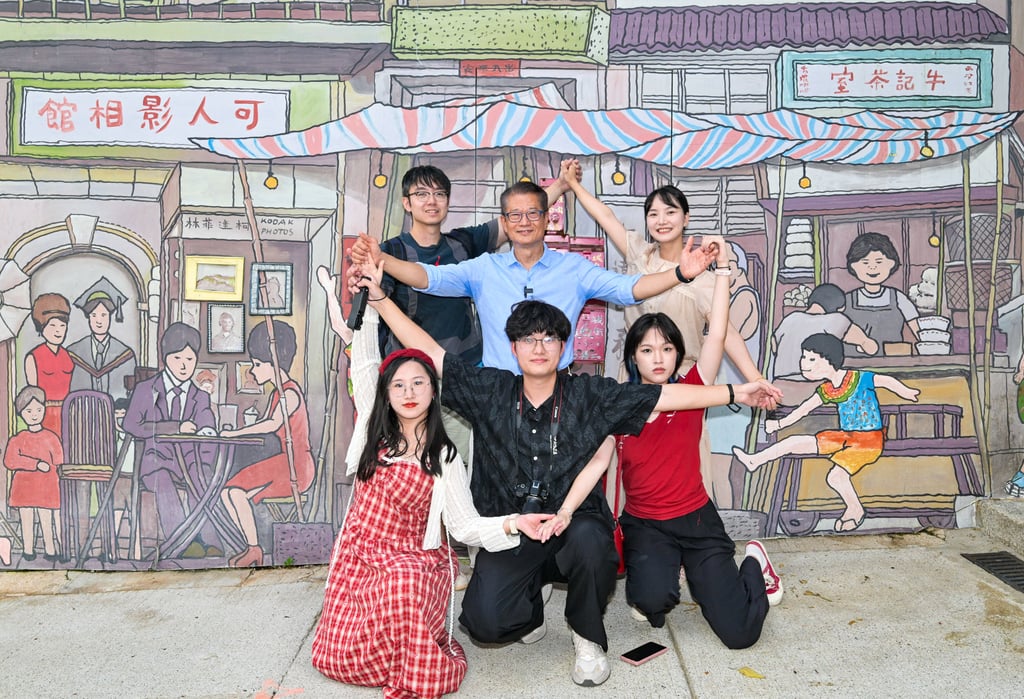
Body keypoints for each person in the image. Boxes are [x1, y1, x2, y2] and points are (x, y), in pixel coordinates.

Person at [348, 261, 781, 686]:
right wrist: (382, 298)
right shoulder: (490, 391)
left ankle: (587, 637)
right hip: (514, 528)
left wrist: (734, 390)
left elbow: (662, 395)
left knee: (595, 546)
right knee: (484, 624)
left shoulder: (590, 394)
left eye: (550, 338)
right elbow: (432, 353)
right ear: (514, 347)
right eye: (528, 339)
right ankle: (530, 610)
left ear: (565, 347)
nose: (539, 347)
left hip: (575, 527)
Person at [310, 312, 552, 697]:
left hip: (415, 556)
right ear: (386, 395)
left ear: (433, 391)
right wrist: (371, 310)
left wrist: (512, 524)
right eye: (400, 386)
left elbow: (463, 526)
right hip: (361, 553)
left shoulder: (445, 455)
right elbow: (366, 361)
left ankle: (411, 648)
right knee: (340, 661)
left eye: (419, 383)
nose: (409, 393)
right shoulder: (373, 435)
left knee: (403, 588)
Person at [537, 275, 782, 646]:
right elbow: (597, 464)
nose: (658, 358)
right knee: (652, 603)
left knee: (740, 634)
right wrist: (566, 511)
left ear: (678, 354)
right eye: (648, 350)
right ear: (633, 356)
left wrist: (722, 274)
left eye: (667, 349)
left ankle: (754, 564)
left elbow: (715, 336)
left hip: (697, 520)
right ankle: (672, 570)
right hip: (646, 525)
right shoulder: (618, 404)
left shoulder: (695, 391)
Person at [352, 180, 719, 374]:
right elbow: (427, 278)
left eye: (533, 214)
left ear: (548, 219)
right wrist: (381, 257)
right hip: (497, 392)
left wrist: (680, 274)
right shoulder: (483, 269)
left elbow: (630, 289)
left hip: (557, 391)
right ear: (506, 223)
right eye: (515, 216)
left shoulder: (573, 269)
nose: (524, 222)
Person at [563, 170, 763, 505]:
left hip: (684, 385)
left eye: (670, 211)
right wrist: (573, 185)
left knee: (685, 465)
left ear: (686, 218)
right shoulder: (639, 256)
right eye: (653, 213)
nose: (661, 220)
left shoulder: (705, 281)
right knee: (626, 463)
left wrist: (755, 379)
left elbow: (726, 335)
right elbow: (606, 216)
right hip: (634, 382)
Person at [733, 333, 920, 532]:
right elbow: (804, 409)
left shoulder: (858, 378)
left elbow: (884, 380)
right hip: (845, 437)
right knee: (795, 441)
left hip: (868, 441)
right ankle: (755, 460)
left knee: (835, 477)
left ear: (829, 360)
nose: (804, 363)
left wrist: (906, 391)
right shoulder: (828, 389)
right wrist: (779, 425)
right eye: (804, 357)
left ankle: (855, 510)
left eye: (811, 358)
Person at [220, 320, 315, 567]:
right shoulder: (277, 393)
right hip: (284, 462)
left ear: (274, 363)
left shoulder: (289, 394)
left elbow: (272, 425)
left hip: (296, 467)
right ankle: (253, 548)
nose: (253, 370)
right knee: (228, 492)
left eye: (257, 364)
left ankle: (254, 549)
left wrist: (235, 433)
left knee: (235, 492)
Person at [122, 322, 220, 558]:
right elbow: (131, 424)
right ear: (165, 359)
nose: (184, 365)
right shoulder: (146, 389)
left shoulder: (200, 396)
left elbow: (207, 425)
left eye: (189, 359)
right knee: (162, 481)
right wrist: (175, 427)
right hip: (156, 460)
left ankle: (208, 540)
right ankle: (181, 543)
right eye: (178, 359)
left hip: (189, 459)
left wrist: (206, 441)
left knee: (203, 477)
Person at [4, 386, 63, 563]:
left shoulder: (51, 437)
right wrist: (35, 464)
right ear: (22, 413)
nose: (35, 414)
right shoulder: (18, 438)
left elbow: (59, 459)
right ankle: (28, 550)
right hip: (24, 488)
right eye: (29, 410)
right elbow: (10, 461)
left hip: (47, 487)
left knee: (46, 519)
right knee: (26, 519)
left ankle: (50, 549)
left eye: (38, 409)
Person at [844, 232, 920, 356]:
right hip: (853, 363)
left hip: (893, 363)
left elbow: (918, 330)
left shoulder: (898, 298)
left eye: (879, 262)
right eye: (865, 263)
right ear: (853, 266)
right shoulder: (845, 301)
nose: (872, 268)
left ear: (891, 264)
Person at [66, 278, 137, 402]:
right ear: (88, 318)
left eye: (104, 315)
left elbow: (131, 392)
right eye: (94, 315)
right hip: (82, 413)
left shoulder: (125, 355)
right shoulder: (73, 352)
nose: (99, 321)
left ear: (110, 317)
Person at [24, 293, 74, 436]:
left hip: (67, 413)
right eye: (52, 325)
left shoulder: (69, 356)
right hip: (45, 416)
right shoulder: (33, 357)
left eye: (62, 325)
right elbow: (32, 394)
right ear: (42, 327)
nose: (58, 330)